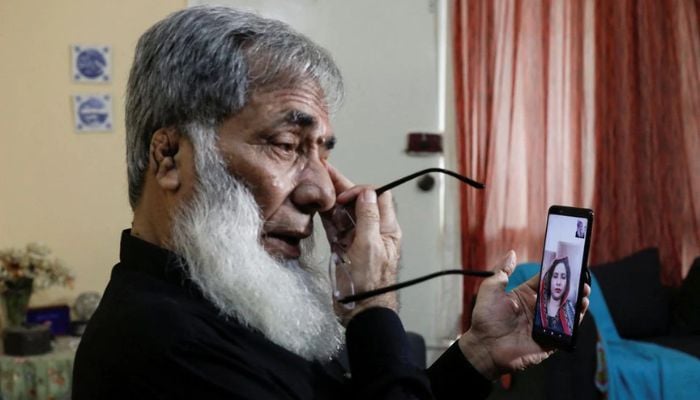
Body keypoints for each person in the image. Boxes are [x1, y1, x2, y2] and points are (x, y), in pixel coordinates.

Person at [72, 6, 590, 399]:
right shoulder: (158, 346)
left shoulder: (226, 303)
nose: (321, 191)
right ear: (169, 157)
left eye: (322, 152)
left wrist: (477, 353)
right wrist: (374, 305)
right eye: (286, 145)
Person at [537, 257, 576, 335]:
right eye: (555, 276)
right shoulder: (537, 306)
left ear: (567, 283)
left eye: (563, 277)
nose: (558, 282)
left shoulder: (571, 312)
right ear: (549, 279)